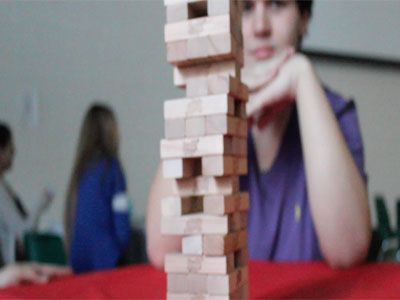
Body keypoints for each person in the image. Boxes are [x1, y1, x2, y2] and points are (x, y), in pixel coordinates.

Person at [146, 0, 371, 268]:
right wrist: (211, 104)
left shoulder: (336, 113)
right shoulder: (211, 110)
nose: (261, 27)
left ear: (304, 18)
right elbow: (161, 250)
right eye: (246, 8)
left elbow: (347, 251)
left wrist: (302, 74)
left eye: (277, 4)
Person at [65, 103, 131, 273]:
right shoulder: (112, 168)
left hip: (78, 259)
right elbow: (121, 223)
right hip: (106, 259)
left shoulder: (79, 171)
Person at [0, 123, 53, 265]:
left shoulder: (5, 188)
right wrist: (42, 203)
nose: (14, 152)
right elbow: (23, 232)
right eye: (10, 147)